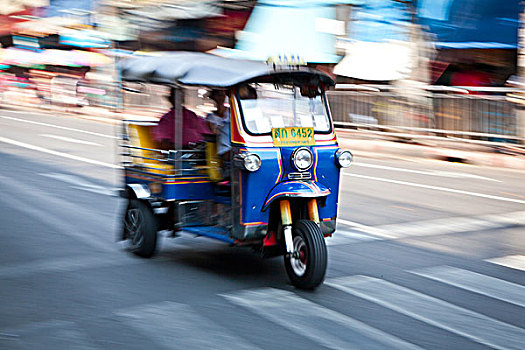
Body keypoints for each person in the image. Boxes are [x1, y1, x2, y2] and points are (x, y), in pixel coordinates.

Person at [206, 89, 231, 159]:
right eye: (218, 95)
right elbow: (214, 132)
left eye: (222, 95)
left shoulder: (231, 112)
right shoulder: (211, 118)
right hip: (225, 149)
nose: (220, 97)